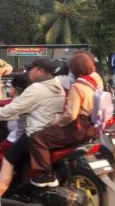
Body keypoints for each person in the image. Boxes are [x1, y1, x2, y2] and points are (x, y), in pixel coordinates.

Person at [0, 58, 65, 206]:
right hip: (50, 132)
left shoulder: (37, 89)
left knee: (8, 159)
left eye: (31, 69)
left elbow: (14, 108)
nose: (28, 72)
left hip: (34, 133)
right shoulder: (58, 87)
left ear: (40, 71)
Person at [28, 51, 102, 187]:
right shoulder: (94, 83)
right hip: (91, 128)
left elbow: (70, 116)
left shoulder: (77, 87)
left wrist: (56, 122)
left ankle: (47, 175)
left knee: (36, 138)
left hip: (76, 129)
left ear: (73, 69)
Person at [0, 73, 31, 174]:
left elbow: (8, 110)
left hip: (16, 136)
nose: (9, 88)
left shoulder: (17, 102)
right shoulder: (27, 99)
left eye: (10, 86)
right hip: (28, 135)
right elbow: (6, 103)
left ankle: (1, 182)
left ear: (15, 89)